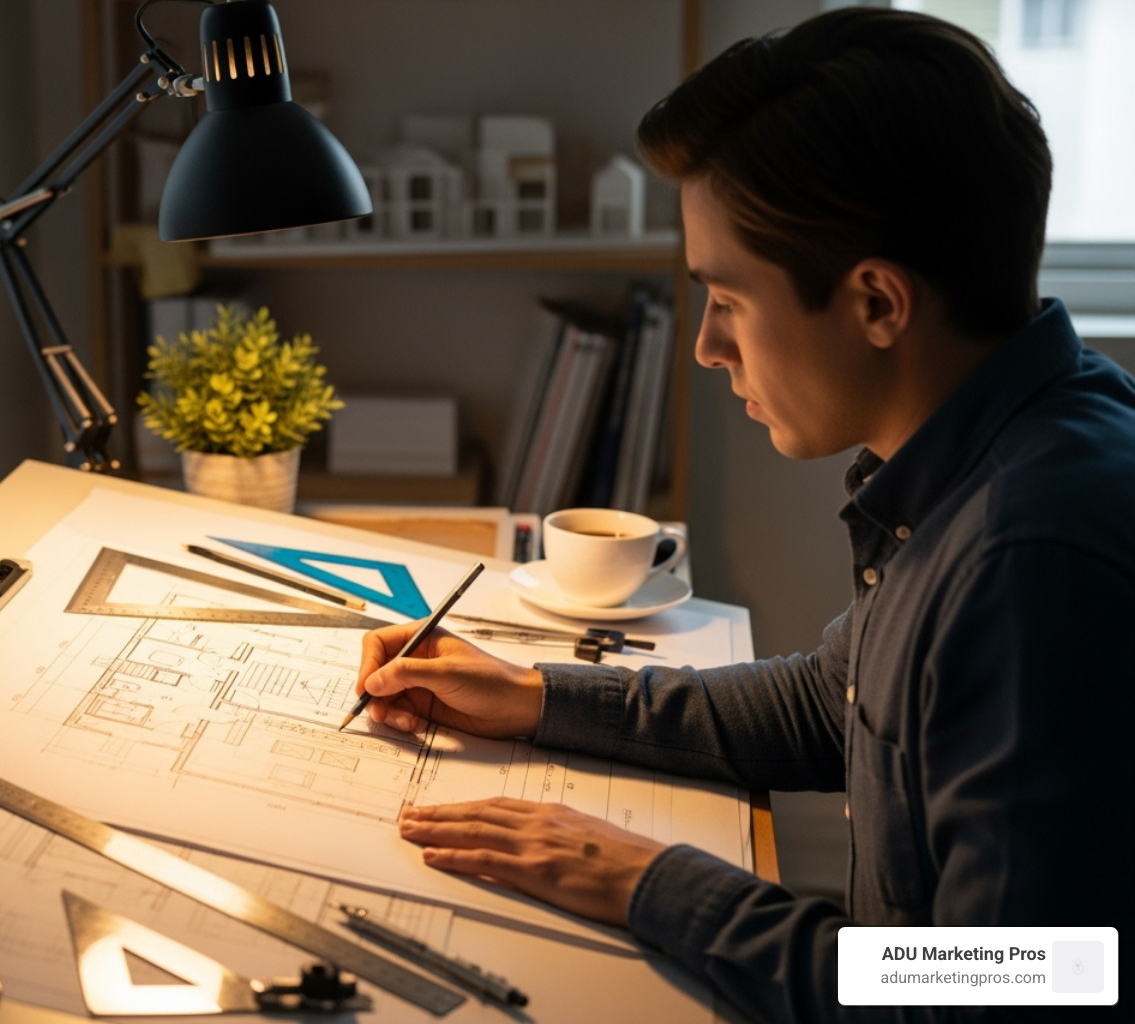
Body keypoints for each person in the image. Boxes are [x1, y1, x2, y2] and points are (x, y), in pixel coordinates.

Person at [351, 8, 1135, 1022]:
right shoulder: (1011, 439)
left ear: (878, 305)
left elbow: (1016, 984)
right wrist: (534, 697)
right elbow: (837, 703)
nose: (708, 349)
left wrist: (650, 881)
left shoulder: (1030, 557)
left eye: (728, 299)